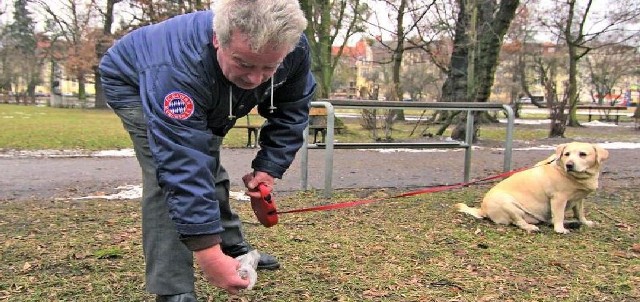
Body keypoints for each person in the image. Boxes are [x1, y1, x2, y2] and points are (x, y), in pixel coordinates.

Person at [98, 0, 315, 300]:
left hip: (206, 83)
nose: (254, 79)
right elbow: (179, 164)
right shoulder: (177, 66)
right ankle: (173, 288)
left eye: (269, 67)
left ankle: (230, 244)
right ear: (218, 39)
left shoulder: (294, 47)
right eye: (244, 63)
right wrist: (208, 257)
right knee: (166, 175)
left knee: (205, 159)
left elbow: (292, 108)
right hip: (133, 82)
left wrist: (269, 168)